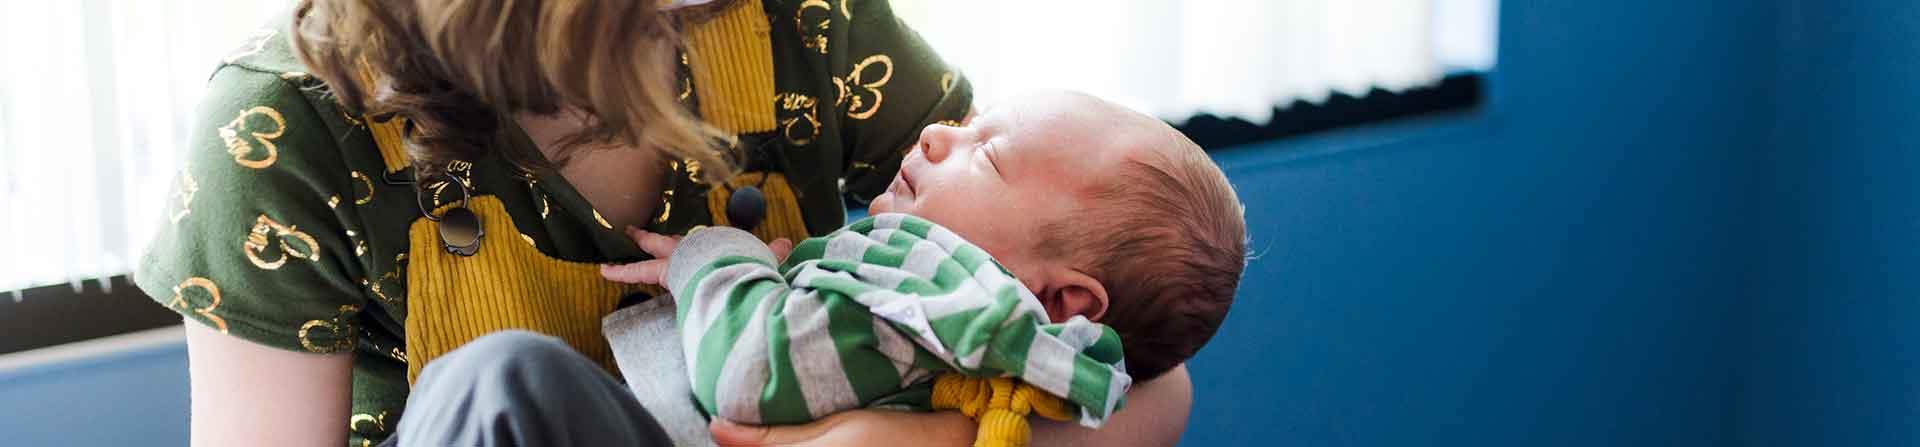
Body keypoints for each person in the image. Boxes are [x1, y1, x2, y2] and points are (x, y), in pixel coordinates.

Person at [135, 0, 1196, 445]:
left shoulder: (803, 28)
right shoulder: (281, 131)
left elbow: (1148, 372)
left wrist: (910, 437)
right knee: (499, 385)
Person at [604, 91, 1245, 447]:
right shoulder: (1010, 346)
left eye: (988, 155)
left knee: (519, 374)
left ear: (1061, 302)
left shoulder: (939, 296)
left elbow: (750, 369)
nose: (937, 133)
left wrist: (715, 258)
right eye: (968, 124)